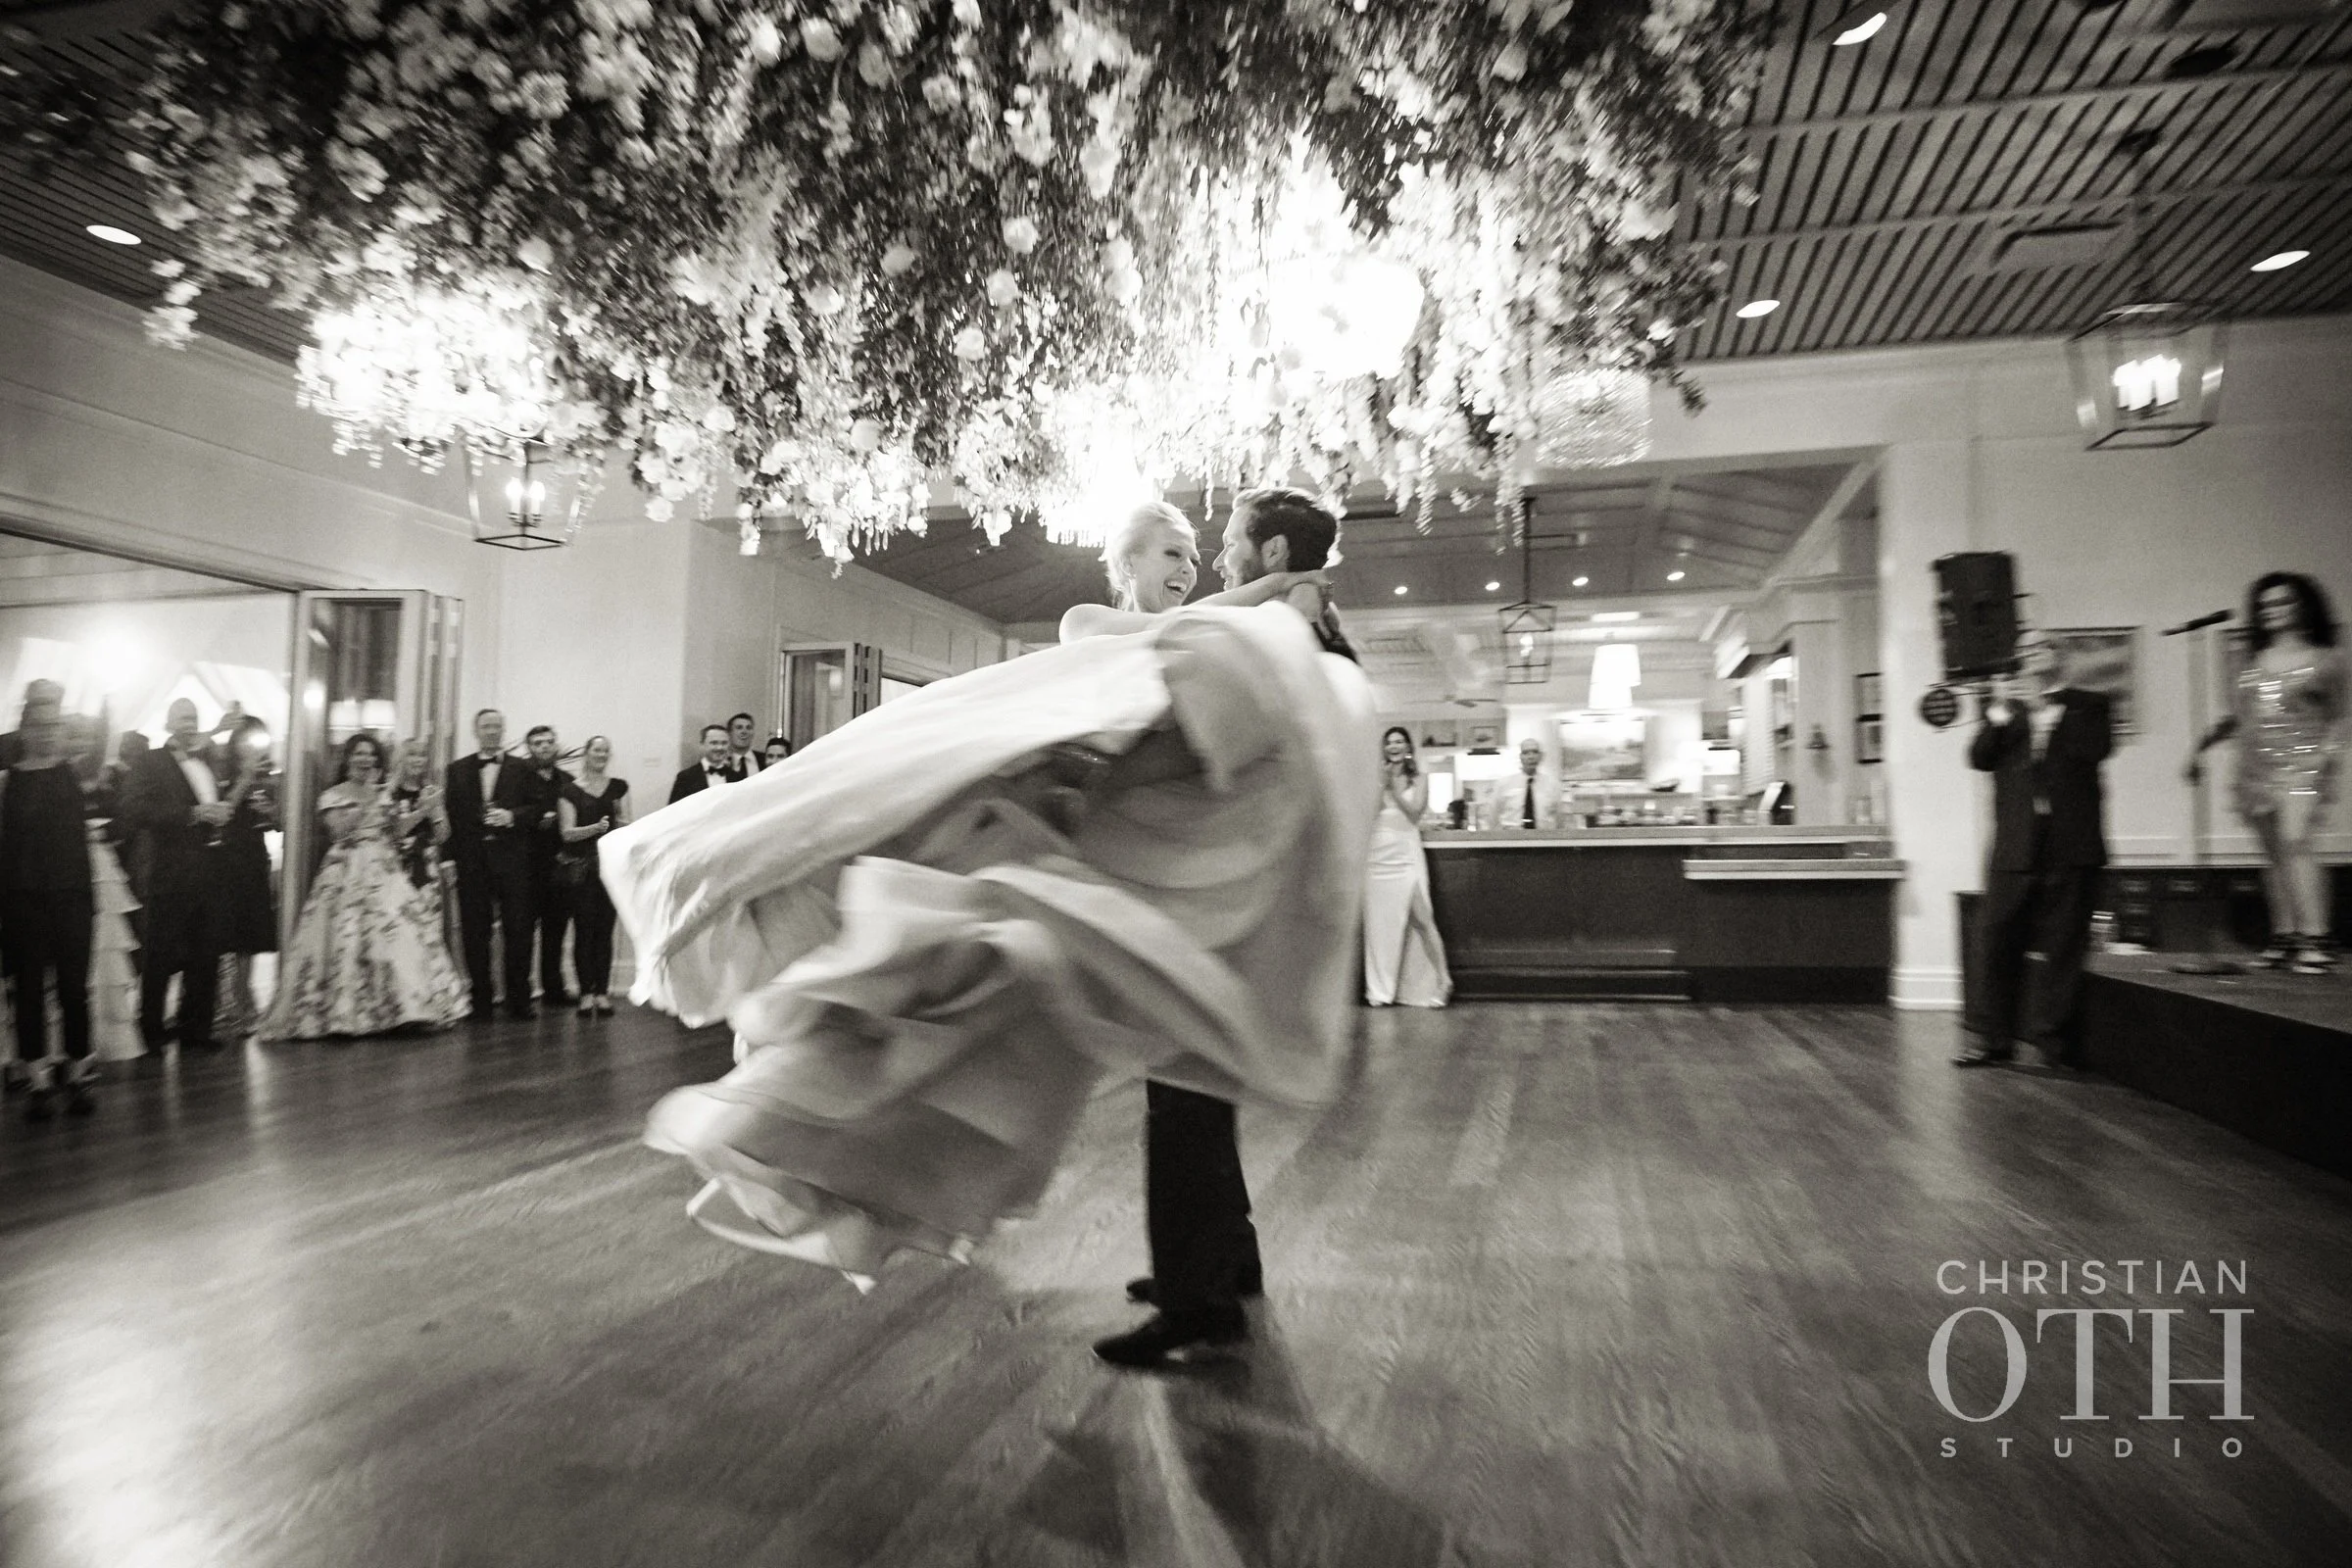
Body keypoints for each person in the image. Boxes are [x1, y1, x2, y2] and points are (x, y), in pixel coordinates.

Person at [612, 486, 1377, 1372]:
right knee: (1189, 1082)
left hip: (1197, 887)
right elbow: (1126, 660)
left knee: (1187, 1086)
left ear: (1274, 552)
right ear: (1129, 562)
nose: (1209, 562)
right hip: (1183, 885)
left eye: (1226, 547)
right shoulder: (1197, 626)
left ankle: (1199, 1294)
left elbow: (1230, 744)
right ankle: (1215, 1267)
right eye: (1176, 552)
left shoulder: (1263, 636)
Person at [1957, 636, 2114, 1070]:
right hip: (2015, 845)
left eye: (2041, 648)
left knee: (2064, 947)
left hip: (2071, 844)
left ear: (2060, 658)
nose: (2031, 655)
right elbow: (1979, 758)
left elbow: (2094, 750)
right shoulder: (2007, 712)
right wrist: (2000, 713)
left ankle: (2052, 1045)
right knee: (1996, 941)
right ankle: (1993, 1041)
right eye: (2025, 651)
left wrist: (2052, 714)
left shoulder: (2089, 705)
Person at [260, 733, 469, 1039]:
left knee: (401, 935)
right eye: (359, 753)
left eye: (370, 754)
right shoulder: (333, 795)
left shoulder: (384, 793)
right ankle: (343, 1014)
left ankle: (403, 1010)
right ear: (347, 759)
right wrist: (368, 798)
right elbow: (340, 833)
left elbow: (397, 832)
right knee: (346, 938)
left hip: (385, 868)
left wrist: (424, 811)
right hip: (347, 868)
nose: (365, 759)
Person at [2187, 573, 2345, 974]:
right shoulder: (2251, 663)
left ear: (2303, 606)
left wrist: (2325, 757)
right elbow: (2240, 716)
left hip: (2304, 762)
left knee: (2297, 842)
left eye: (2283, 603)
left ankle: (2317, 937)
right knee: (2274, 853)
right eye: (2266, 605)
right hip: (2256, 766)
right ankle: (2286, 933)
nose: (2273, 611)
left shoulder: (2327, 659)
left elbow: (2342, 717)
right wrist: (2203, 745)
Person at [0, 684, 98, 1118]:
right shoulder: (7, 781)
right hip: (23, 900)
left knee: (75, 991)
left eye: (52, 724)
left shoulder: (76, 771)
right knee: (29, 994)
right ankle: (39, 1083)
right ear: (23, 729)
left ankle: (77, 1077)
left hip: (74, 897)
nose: (45, 732)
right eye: (37, 724)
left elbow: (103, 739)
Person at [122, 697, 236, 1054]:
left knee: (206, 953)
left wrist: (220, 815)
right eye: (183, 718)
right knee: (160, 955)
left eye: (194, 718)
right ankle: (151, 1031)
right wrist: (192, 813)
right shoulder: (151, 761)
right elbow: (133, 809)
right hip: (169, 873)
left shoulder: (207, 762)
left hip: (211, 871)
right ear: (169, 724)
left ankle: (196, 1028)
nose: (190, 723)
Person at [445, 710, 539, 1020]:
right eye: (486, 726)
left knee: (519, 931)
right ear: (476, 730)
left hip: (514, 863)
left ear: (503, 730)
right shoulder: (457, 770)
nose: (492, 731)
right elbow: (451, 819)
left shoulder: (523, 768)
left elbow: (539, 809)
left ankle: (519, 1000)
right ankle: (481, 1001)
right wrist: (449, 861)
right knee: (474, 933)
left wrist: (512, 817)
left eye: (497, 726)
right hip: (472, 863)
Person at [1364, 725, 1451, 1007]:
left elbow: (1415, 814)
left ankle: (1444, 980)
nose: (1394, 746)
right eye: (1389, 742)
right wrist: (1381, 784)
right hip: (1377, 857)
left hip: (1405, 855)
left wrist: (1395, 791)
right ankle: (1380, 988)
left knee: (1422, 920)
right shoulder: (1376, 777)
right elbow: (1370, 814)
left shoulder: (1420, 778)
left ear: (1408, 747)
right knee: (1379, 926)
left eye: (1400, 741)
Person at [211, 711, 279, 1041]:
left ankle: (245, 996)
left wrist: (271, 811)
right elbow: (220, 813)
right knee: (227, 933)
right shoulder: (221, 771)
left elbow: (280, 821)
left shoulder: (267, 775)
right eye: (246, 740)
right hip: (226, 860)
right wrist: (244, 779)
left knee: (250, 936)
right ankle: (228, 1004)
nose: (252, 747)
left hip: (255, 858)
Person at [558, 735, 629, 1014]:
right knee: (584, 931)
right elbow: (566, 833)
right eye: (596, 749)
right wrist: (596, 829)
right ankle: (585, 993)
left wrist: (627, 827)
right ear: (586, 753)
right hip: (583, 870)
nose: (601, 754)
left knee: (604, 932)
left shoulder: (618, 787)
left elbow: (623, 822)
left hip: (610, 870)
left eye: (605, 750)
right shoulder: (569, 791)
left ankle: (602, 992)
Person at [520, 725, 574, 1006]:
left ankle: (554, 990)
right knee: (524, 934)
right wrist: (537, 819)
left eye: (549, 742)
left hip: (558, 866)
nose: (544, 747)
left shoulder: (567, 780)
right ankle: (523, 992)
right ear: (529, 747)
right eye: (538, 743)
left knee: (556, 932)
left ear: (556, 746)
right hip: (526, 867)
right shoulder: (517, 776)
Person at [388, 738, 457, 956]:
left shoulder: (431, 791)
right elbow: (396, 831)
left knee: (426, 931)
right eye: (412, 754)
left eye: (422, 755)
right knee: (397, 930)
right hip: (394, 869)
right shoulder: (388, 792)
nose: (418, 760)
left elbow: (443, 835)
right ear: (401, 759)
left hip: (426, 871)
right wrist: (422, 811)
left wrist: (436, 810)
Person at [1489, 738, 1560, 829]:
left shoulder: (1552, 785)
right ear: (1520, 757)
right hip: (1511, 838)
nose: (1531, 757)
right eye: (1526, 753)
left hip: (1543, 838)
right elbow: (1493, 815)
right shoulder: (1504, 784)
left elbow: (1559, 819)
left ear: (1541, 756)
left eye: (1535, 752)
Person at [668, 724, 735, 804]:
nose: (719, 748)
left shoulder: (737, 777)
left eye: (724, 743)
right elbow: (674, 811)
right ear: (702, 745)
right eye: (714, 743)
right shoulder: (685, 777)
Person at [724, 712, 764, 781]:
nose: (744, 732)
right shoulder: (721, 762)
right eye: (739, 728)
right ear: (729, 733)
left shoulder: (765, 759)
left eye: (748, 728)